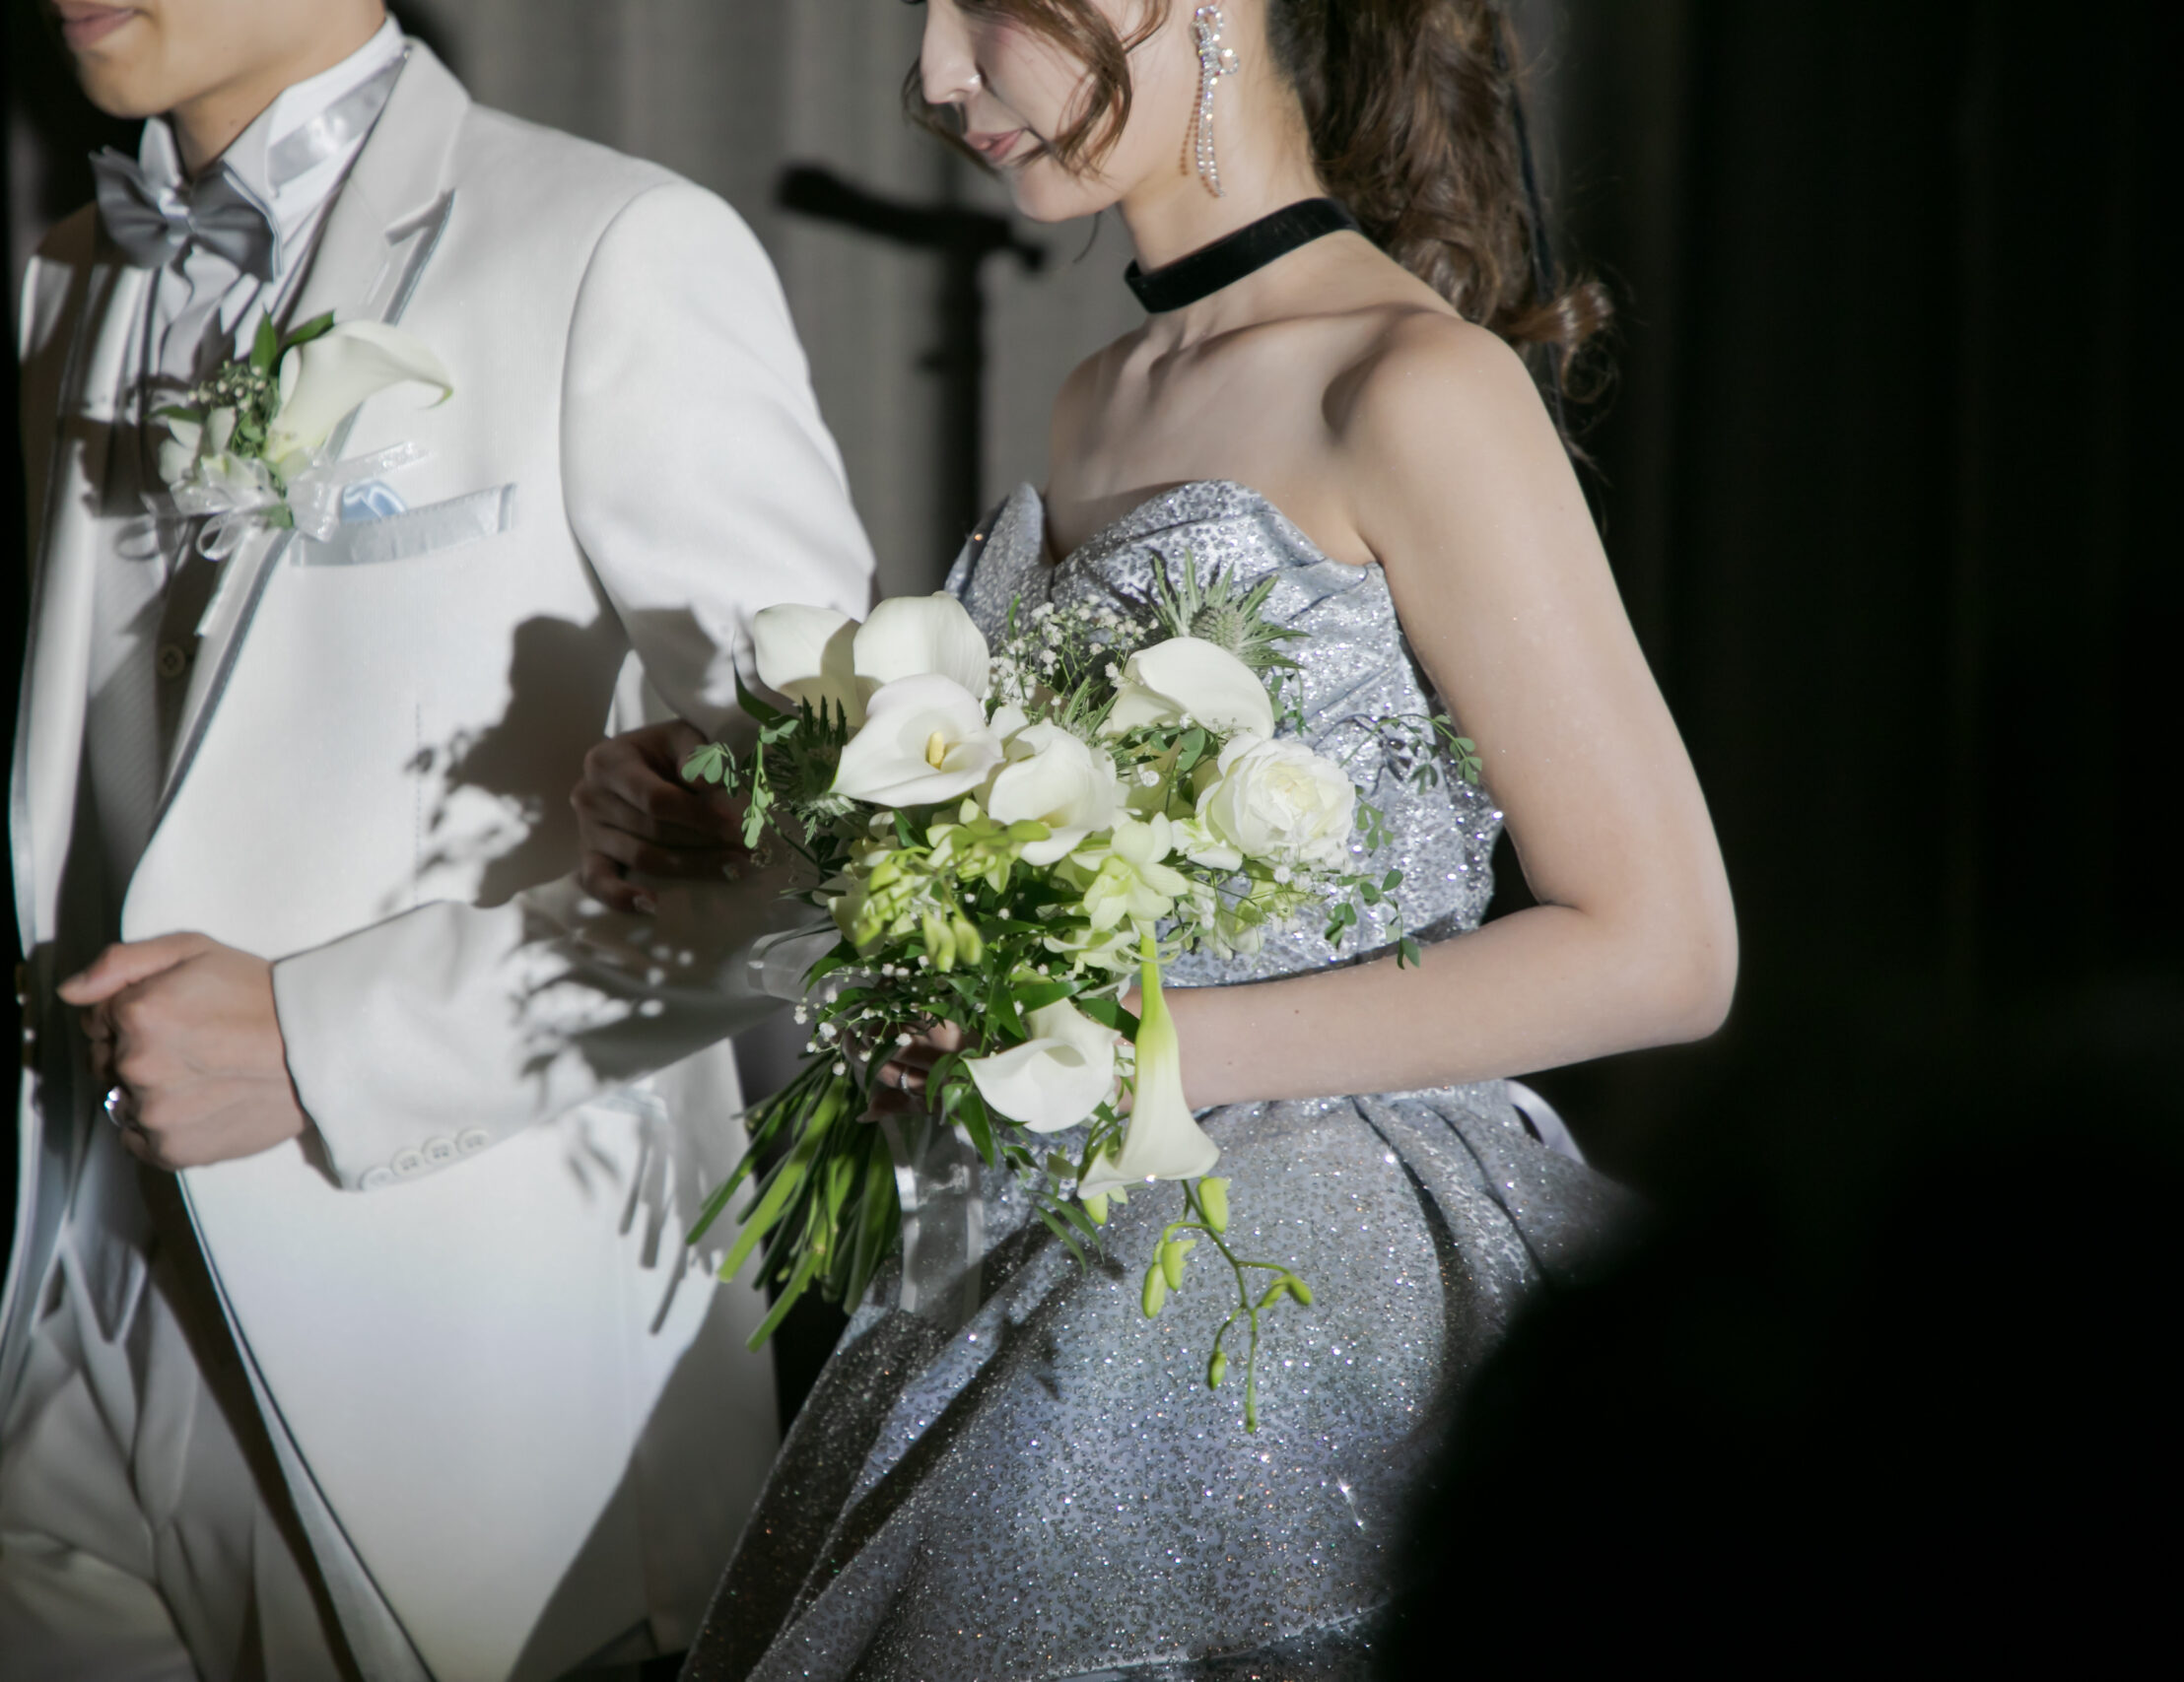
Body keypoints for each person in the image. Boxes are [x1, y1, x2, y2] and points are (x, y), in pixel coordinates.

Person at [567, 1, 1737, 1675]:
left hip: (1306, 1282)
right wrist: (758, 828)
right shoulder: (1103, 398)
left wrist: (1155, 1053)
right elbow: (1077, 879)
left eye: (987, 4)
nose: (938, 75)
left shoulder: (1414, 387)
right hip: (1045, 1246)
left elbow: (1665, 947)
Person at [0, 2, 873, 1677]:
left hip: (458, 1389)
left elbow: (842, 852)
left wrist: (326, 1039)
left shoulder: (611, 245)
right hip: (83, 1320)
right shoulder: (75, 273)